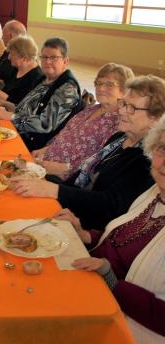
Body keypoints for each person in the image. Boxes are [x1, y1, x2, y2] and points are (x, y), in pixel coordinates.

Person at [54, 115, 165, 343]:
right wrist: (85, 235)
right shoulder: (154, 194)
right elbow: (120, 240)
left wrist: (111, 280)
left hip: (120, 327)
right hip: (92, 289)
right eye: (163, 149)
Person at [11, 75, 165, 230]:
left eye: (131, 107)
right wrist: (47, 182)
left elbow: (110, 204)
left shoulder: (148, 159)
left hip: (88, 228)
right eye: (123, 103)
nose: (122, 111)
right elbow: (81, 178)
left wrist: (55, 190)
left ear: (155, 118)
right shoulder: (119, 138)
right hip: (74, 207)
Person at [33, 63, 133, 179]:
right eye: (98, 83)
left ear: (125, 90)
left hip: (62, 178)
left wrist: (65, 169)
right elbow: (66, 135)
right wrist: (45, 150)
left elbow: (97, 163)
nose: (100, 88)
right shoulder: (91, 109)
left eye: (109, 85)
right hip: (43, 163)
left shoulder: (118, 123)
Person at [0, 37, 83, 151]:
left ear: (65, 61)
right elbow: (25, 109)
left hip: (32, 146)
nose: (47, 62)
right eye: (44, 57)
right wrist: (5, 105)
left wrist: (10, 116)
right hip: (18, 133)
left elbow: (45, 124)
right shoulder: (44, 79)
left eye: (53, 57)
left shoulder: (67, 88)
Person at [0, 35, 44, 105]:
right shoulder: (17, 68)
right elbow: (10, 92)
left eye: (12, 54)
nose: (9, 57)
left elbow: (21, 106)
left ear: (24, 57)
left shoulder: (36, 78)